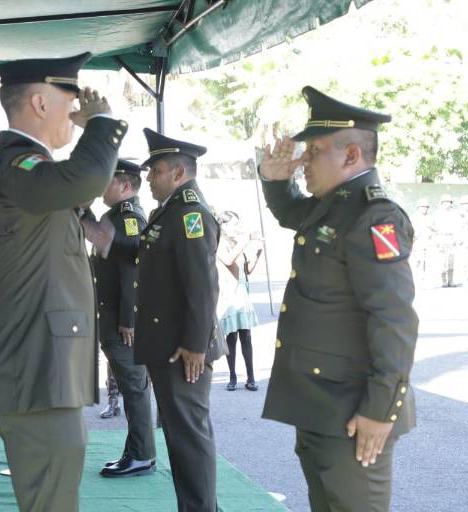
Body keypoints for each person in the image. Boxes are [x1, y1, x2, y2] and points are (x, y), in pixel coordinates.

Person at [0, 52, 127, 511]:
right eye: (69, 100)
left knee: (53, 496)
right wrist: (101, 124)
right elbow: (85, 179)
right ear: (40, 103)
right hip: (37, 368)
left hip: (39, 366)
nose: (75, 113)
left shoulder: (28, 170)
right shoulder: (17, 165)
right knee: (51, 501)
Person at [259, 86, 418, 512]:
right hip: (322, 408)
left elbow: (394, 319)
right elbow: (293, 213)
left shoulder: (373, 216)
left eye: (313, 151)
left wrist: (380, 411)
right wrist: (276, 181)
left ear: (351, 156)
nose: (303, 160)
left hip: (354, 414)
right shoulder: (334, 206)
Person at [91, 128, 221, 510]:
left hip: (184, 349)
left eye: (157, 171)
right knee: (181, 438)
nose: (148, 177)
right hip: (169, 345)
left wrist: (196, 344)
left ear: (179, 174)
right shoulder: (171, 211)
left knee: (189, 438)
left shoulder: (191, 214)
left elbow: (202, 287)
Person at [81, 158, 156, 477]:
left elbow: (132, 271)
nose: (102, 188)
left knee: (134, 387)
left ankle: (141, 454)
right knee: (130, 386)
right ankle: (137, 451)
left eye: (107, 181)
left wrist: (129, 319)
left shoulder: (129, 217)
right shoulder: (113, 215)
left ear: (125, 185)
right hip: (111, 318)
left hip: (122, 323)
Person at [216, 210, 262, 392]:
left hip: (242, 293)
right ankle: (232, 376)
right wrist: (246, 240)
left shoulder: (238, 244)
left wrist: (257, 253)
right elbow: (228, 260)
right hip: (228, 295)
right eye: (234, 224)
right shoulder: (219, 244)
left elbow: (247, 269)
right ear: (224, 226)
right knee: (231, 338)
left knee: (246, 337)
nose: (237, 228)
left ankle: (251, 377)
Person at [432, 194, 460, 287]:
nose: (447, 204)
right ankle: (443, 282)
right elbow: (432, 227)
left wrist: (456, 238)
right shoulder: (437, 213)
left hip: (451, 239)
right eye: (445, 202)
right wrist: (437, 238)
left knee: (451, 261)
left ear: (451, 203)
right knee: (442, 262)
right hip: (441, 238)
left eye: (449, 202)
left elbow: (458, 226)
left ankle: (450, 281)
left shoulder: (454, 213)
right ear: (442, 203)